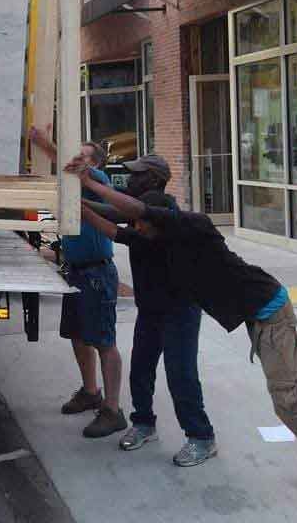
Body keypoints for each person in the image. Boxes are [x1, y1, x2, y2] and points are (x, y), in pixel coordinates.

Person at [69, 158, 297, 504]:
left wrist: (92, 182)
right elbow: (117, 228)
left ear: (159, 218)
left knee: (290, 404)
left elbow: (134, 210)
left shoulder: (193, 225)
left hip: (270, 313)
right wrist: (80, 206)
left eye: (143, 224)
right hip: (263, 315)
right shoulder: (156, 238)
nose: (138, 229)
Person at [85, 154, 217, 467]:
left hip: (179, 308)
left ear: (154, 179)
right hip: (152, 308)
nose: (130, 179)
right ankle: (143, 424)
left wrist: (82, 203)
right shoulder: (140, 205)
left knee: (180, 375)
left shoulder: (160, 205)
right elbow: (117, 225)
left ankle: (201, 437)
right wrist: (79, 206)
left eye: (137, 175)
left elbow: (116, 218)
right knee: (141, 369)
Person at [29, 126, 126, 438]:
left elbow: (74, 169)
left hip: (97, 274)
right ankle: (90, 391)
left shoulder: (99, 183)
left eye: (84, 158)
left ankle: (112, 410)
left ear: (95, 164)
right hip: (75, 271)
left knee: (104, 341)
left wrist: (46, 144)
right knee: (78, 336)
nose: (77, 162)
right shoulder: (71, 187)